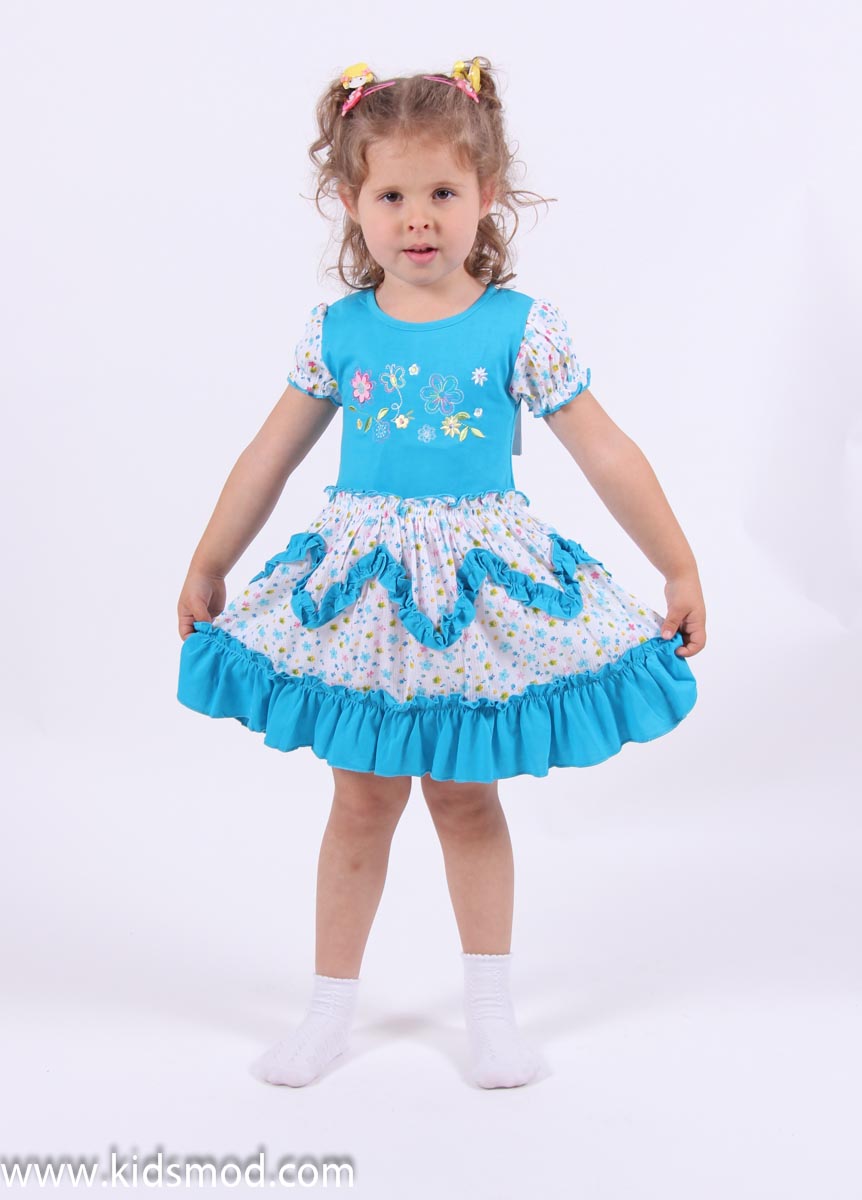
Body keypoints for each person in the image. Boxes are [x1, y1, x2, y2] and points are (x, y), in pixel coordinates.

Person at [176, 56, 706, 1091]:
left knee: (465, 802)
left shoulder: (519, 327)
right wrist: (210, 558)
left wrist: (676, 563)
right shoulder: (339, 332)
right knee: (361, 803)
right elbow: (268, 455)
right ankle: (328, 1010)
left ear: (486, 195)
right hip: (366, 597)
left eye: (442, 193)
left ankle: (491, 1016)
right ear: (350, 202)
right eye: (391, 196)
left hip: (476, 597)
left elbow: (605, 451)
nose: (417, 218)